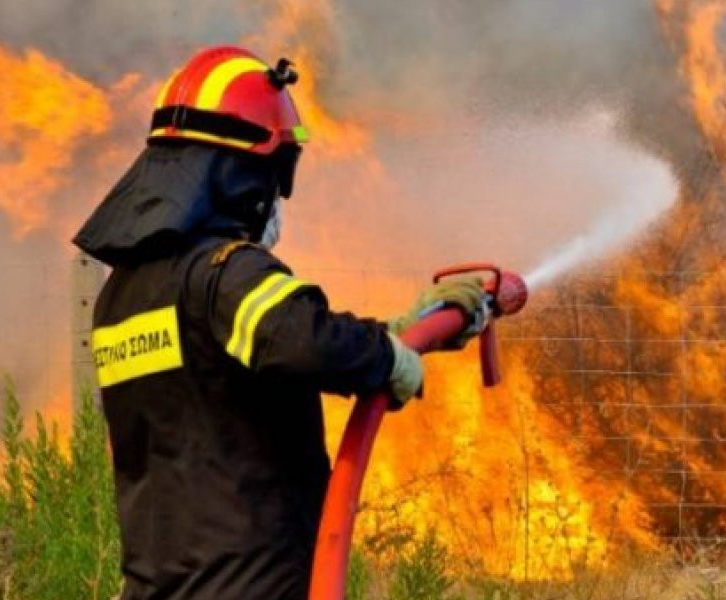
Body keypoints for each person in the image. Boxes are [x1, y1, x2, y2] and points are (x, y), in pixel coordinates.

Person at [72, 46, 486, 600]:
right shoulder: (225, 272)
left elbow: (247, 355)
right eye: (277, 172)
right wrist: (389, 358)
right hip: (250, 585)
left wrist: (396, 331)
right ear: (243, 174)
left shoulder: (123, 295)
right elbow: (305, 341)